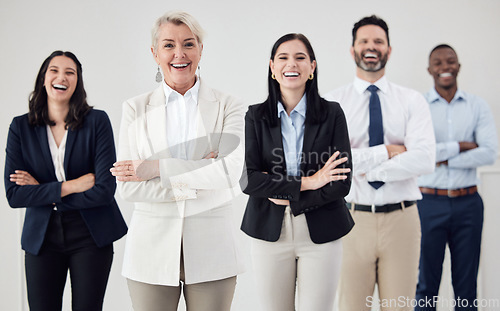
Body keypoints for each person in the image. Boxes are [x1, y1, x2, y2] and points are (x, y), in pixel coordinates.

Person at [110, 11, 245, 311]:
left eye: (189, 44)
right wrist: (200, 178)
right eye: (169, 45)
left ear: (200, 50)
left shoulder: (228, 105)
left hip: (214, 251)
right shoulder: (135, 108)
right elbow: (129, 189)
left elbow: (230, 173)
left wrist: (155, 168)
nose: (179, 54)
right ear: (155, 53)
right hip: (150, 253)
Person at [325, 15, 436, 311]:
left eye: (378, 41)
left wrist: (360, 166)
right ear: (352, 50)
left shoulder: (412, 101)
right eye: (364, 41)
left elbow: (424, 159)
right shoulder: (333, 104)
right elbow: (331, 162)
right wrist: (389, 151)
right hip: (350, 220)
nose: (371, 47)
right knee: (351, 307)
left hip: (402, 221)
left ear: (389, 49)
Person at [4, 50, 127, 311]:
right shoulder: (20, 128)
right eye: (54, 70)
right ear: (43, 78)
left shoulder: (97, 122)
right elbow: (15, 195)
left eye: (70, 72)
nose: (62, 77)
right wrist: (70, 186)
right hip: (42, 236)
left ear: (78, 81)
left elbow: (104, 190)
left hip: (91, 234)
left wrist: (43, 192)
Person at [240, 33, 354, 311]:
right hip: (269, 231)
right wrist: (311, 181)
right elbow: (250, 180)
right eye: (283, 57)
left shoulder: (332, 113)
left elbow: (340, 183)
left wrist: (288, 195)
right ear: (272, 67)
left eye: (300, 57)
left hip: (322, 230)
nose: (292, 64)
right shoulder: (255, 116)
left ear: (312, 67)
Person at [415, 44, 498, 311]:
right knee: (426, 284)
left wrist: (441, 157)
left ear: (458, 66)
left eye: (450, 61)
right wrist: (461, 146)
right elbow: (420, 154)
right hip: (428, 204)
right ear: (430, 70)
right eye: (438, 63)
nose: (445, 67)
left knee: (466, 287)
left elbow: (489, 153)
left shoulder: (477, 106)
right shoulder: (419, 106)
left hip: (468, 204)